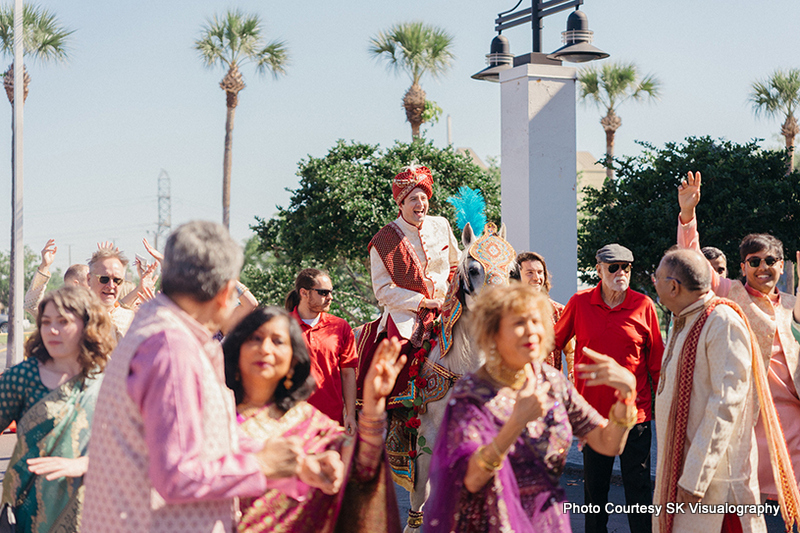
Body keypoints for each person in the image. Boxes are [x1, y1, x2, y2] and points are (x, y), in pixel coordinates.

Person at [81, 221, 310, 533]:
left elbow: (201, 445)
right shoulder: (172, 348)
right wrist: (263, 465)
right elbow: (178, 475)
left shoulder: (160, 330)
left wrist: (287, 462)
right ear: (225, 292)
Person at [426, 284, 637, 532]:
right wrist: (516, 422)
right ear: (492, 333)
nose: (531, 332)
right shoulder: (471, 395)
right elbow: (471, 479)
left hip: (547, 522)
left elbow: (607, 443)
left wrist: (627, 395)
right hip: (491, 523)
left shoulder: (552, 382)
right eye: (519, 323)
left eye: (536, 321)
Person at [677, 171, 800, 506]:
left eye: (770, 260)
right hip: (747, 419)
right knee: (748, 508)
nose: (763, 267)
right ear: (743, 267)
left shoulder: (792, 305)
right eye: (754, 261)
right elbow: (693, 265)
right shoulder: (728, 293)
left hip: (792, 422)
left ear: (781, 264)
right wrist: (688, 216)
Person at [223, 307, 403, 532]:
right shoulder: (216, 414)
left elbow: (361, 470)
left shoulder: (310, 423)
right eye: (255, 339)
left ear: (293, 362)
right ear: (237, 351)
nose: (265, 348)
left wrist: (373, 406)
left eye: (278, 341)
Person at [553, 243, 664, 533]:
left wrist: (668, 407)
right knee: (595, 493)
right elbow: (552, 342)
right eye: (613, 267)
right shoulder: (579, 303)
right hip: (593, 418)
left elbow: (657, 364)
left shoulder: (643, 305)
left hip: (635, 416)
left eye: (626, 267)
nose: (621, 273)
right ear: (599, 269)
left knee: (638, 491)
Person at [652, 249, 764, 533]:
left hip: (714, 487)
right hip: (685, 477)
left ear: (673, 286)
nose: (654, 283)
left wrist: (695, 476)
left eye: (657, 278)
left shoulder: (721, 322)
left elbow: (725, 404)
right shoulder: (687, 318)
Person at [0, 286, 116, 533]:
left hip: (92, 512)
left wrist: (84, 464)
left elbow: (133, 447)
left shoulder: (108, 381)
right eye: (45, 322)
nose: (52, 330)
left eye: (63, 321)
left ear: (87, 325)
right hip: (27, 514)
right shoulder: (23, 377)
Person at [357, 164, 460, 394]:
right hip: (407, 313)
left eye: (424, 197)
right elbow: (382, 291)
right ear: (400, 203)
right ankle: (394, 419)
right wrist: (423, 302)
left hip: (448, 306)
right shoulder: (383, 241)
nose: (420, 204)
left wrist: (448, 296)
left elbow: (456, 263)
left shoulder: (441, 224)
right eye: (413, 198)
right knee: (400, 353)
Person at [285, 268, 358, 433]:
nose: (330, 297)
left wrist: (350, 415)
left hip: (331, 421)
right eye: (323, 292)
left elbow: (348, 373)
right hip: (291, 419)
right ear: (304, 293)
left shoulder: (341, 327)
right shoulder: (281, 324)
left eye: (331, 292)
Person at [515, 251, 575, 379]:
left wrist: (572, 372)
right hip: (518, 386)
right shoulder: (508, 311)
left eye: (540, 272)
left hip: (551, 387)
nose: (537, 278)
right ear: (517, 276)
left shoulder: (558, 310)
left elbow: (571, 351)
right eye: (529, 273)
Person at [23, 238, 90, 319]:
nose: (95, 283)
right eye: (89, 280)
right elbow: (31, 304)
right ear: (76, 284)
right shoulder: (57, 309)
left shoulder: (98, 309)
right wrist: (45, 266)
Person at [86, 246, 136, 339]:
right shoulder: (76, 317)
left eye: (117, 280)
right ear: (89, 279)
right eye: (104, 279)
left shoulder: (132, 320)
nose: (111, 285)